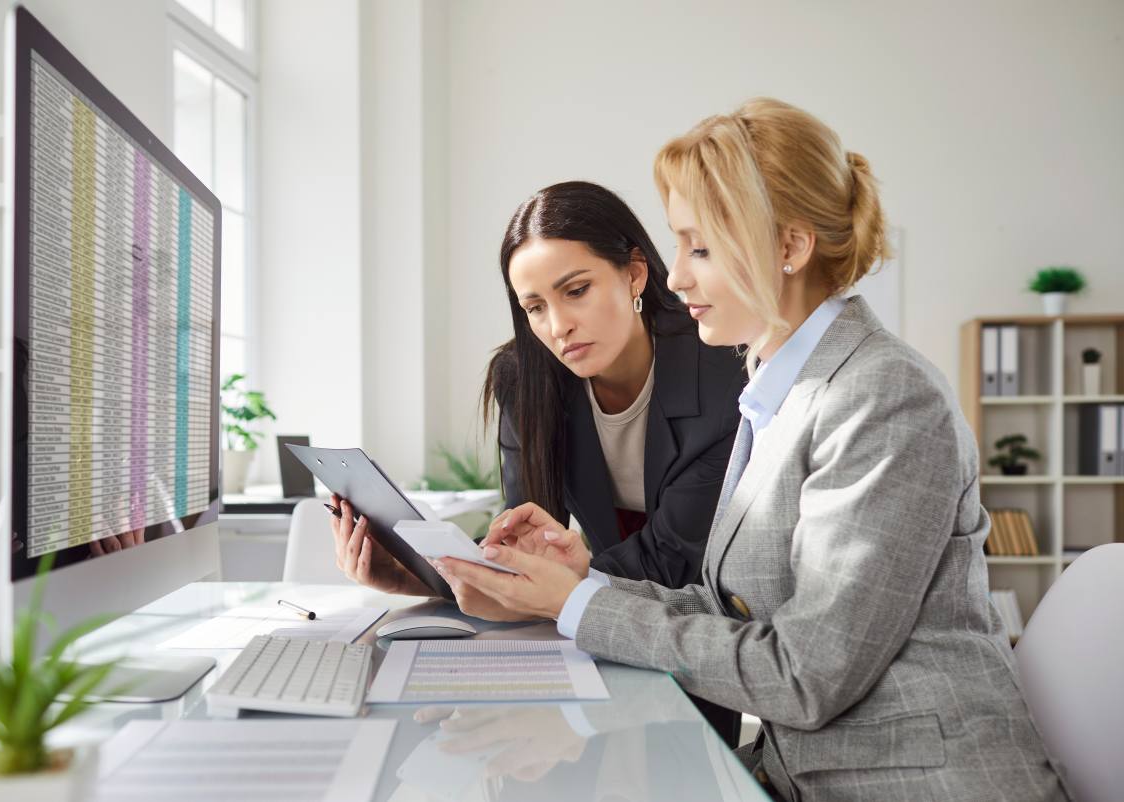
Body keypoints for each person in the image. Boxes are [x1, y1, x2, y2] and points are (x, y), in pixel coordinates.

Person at [435, 99, 1070, 801]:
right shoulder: (779, 389)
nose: (675, 278)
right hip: (805, 769)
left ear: (791, 248)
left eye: (699, 248)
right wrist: (579, 585)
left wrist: (581, 606)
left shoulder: (884, 396)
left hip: (919, 781)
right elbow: (729, 607)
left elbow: (804, 674)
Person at [330, 180, 747, 742]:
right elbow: (523, 542)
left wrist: (541, 591)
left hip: (686, 638)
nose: (557, 326)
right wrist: (417, 579)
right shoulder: (525, 379)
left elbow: (674, 562)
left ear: (635, 273)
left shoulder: (723, 371)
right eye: (534, 306)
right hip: (580, 648)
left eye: (576, 290)